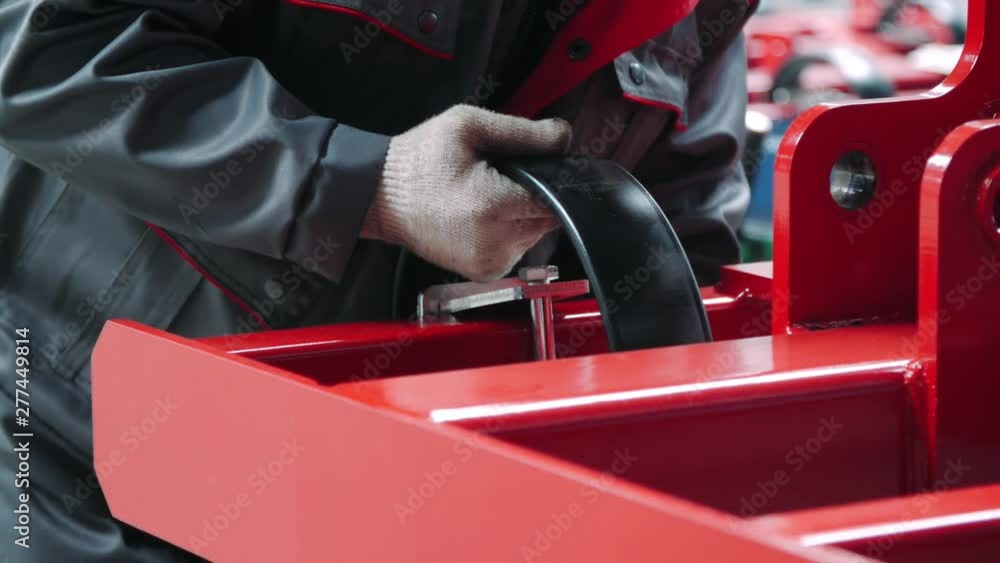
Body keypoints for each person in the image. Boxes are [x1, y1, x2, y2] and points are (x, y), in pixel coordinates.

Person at [0, 0, 754, 560]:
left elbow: (684, 221)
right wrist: (359, 183)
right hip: (66, 437)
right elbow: (33, 42)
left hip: (381, 493)